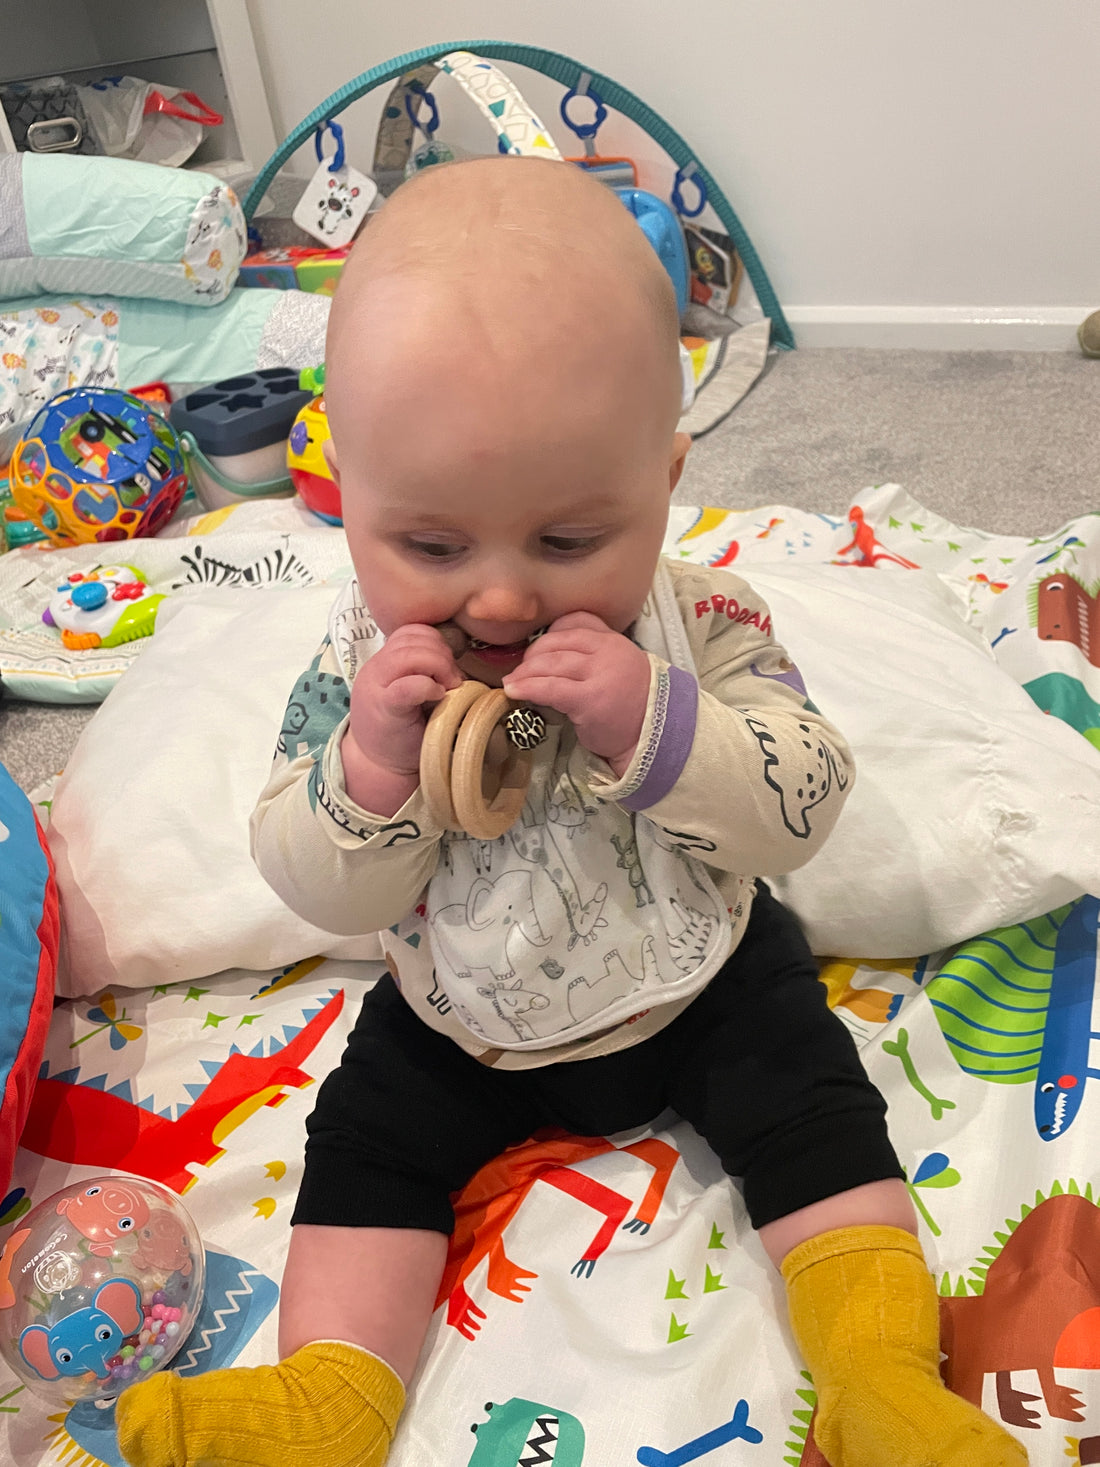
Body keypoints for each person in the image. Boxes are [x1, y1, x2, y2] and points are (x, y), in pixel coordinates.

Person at [116, 156, 1025, 1467]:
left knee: (816, 1102)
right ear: (346, 492)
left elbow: (804, 800)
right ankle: (331, 1395)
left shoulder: (708, 622)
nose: (496, 602)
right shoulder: (354, 675)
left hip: (699, 984)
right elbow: (314, 883)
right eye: (430, 547)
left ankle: (881, 1377)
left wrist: (659, 726)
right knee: (362, 1143)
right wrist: (372, 767)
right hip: (459, 1022)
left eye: (564, 542)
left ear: (662, 481)